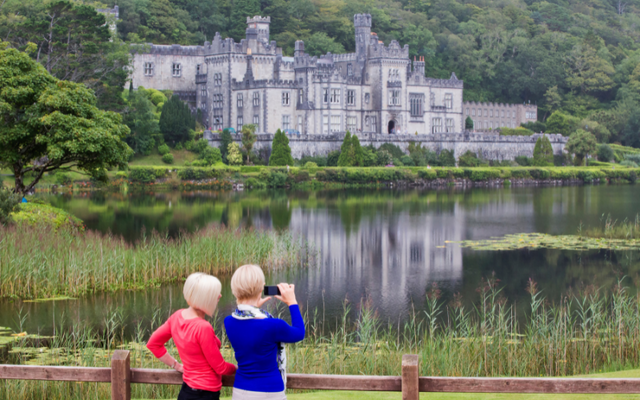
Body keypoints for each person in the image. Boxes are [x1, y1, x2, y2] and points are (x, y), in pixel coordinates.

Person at [147, 273, 236, 400]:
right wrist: (239, 368)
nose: (220, 295)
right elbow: (220, 367)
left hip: (187, 391)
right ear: (205, 298)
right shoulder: (202, 327)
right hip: (205, 395)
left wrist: (176, 365)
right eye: (215, 293)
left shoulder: (177, 316)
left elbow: (153, 344)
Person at [224, 265, 305, 400]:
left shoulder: (229, 322)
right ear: (262, 289)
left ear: (234, 290)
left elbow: (249, 325)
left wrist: (253, 308)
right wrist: (292, 302)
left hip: (240, 391)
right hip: (270, 391)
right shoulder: (273, 326)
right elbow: (299, 333)